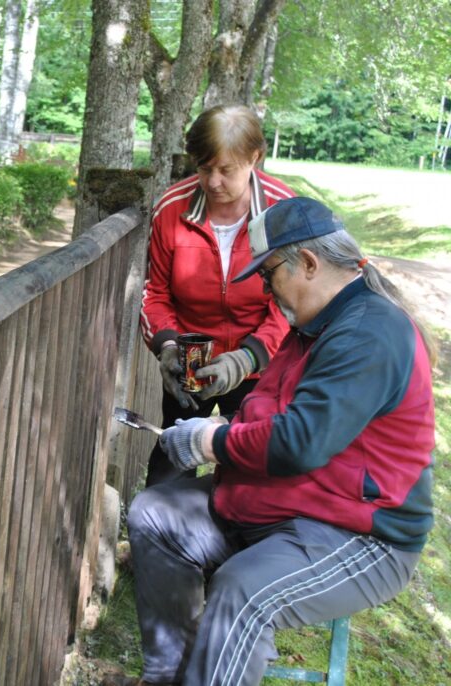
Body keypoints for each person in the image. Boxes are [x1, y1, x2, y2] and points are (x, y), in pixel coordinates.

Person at [127, 197, 435, 686]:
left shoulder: (369, 333)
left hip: (362, 533)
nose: (267, 291)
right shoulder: (317, 324)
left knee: (242, 592)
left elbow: (300, 442)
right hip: (292, 503)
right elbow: (272, 414)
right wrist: (229, 409)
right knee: (155, 514)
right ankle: (168, 677)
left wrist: (211, 440)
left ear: (309, 264)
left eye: (269, 276)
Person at [141, 105, 294, 486]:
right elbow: (154, 292)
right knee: (168, 468)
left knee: (249, 475)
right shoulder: (170, 210)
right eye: (204, 168)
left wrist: (248, 358)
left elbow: (292, 302)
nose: (212, 182)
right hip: (188, 365)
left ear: (254, 158)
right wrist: (168, 347)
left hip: (261, 367)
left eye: (226, 170)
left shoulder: (283, 211)